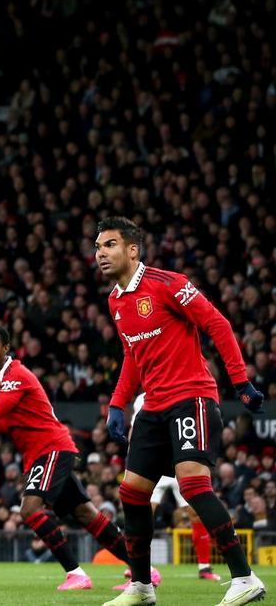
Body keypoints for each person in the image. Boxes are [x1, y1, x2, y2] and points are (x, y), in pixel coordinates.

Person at [95, 216, 265, 606]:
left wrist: (240, 382)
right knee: (132, 491)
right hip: (153, 407)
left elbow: (218, 325)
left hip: (192, 397)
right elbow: (132, 355)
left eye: (109, 245)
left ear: (132, 249)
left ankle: (244, 578)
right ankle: (141, 587)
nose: (101, 254)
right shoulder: (115, 301)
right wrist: (118, 403)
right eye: (98, 248)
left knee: (192, 483)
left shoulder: (169, 284)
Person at [0, 322, 135, 591]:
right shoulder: (1, 381)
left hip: (50, 449)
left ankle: (76, 574)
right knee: (85, 513)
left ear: (6, 347)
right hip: (47, 452)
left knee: (30, 509)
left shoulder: (16, 375)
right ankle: (143, 569)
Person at [131, 393, 220, 583]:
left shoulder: (184, 390)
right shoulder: (143, 399)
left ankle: (204, 567)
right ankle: (135, 566)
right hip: (156, 463)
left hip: (182, 461)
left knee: (196, 513)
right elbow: (135, 431)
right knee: (144, 512)